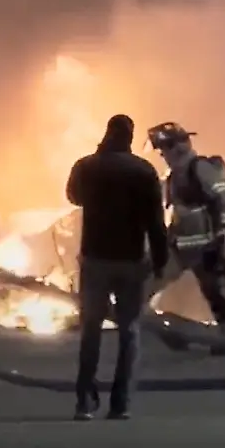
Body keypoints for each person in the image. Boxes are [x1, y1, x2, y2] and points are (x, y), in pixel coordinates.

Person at [66, 114, 168, 421]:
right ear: (130, 137)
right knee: (129, 331)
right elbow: (155, 222)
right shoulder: (144, 170)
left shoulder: (86, 166)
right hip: (131, 260)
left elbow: (73, 197)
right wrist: (160, 260)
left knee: (91, 330)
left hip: (95, 259)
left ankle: (85, 402)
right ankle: (120, 404)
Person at [146, 122, 225, 341]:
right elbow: (178, 212)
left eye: (164, 150)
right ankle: (151, 325)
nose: (163, 156)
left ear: (175, 148)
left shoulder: (200, 168)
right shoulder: (175, 175)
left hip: (206, 247)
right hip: (180, 246)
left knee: (215, 294)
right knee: (151, 281)